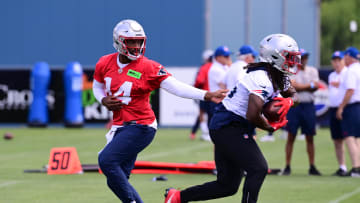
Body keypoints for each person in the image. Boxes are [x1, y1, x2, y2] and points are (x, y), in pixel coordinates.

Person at [92, 19, 228, 203]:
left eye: (139, 41)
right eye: (131, 41)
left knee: (107, 161)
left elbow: (176, 87)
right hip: (120, 125)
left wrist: (206, 95)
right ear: (119, 41)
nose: (136, 46)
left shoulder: (148, 67)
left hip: (141, 126)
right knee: (115, 179)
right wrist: (103, 99)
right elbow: (97, 86)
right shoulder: (105, 62)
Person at [164, 33, 300, 203]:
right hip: (228, 125)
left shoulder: (276, 74)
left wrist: (288, 101)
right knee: (258, 168)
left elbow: (294, 94)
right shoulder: (261, 78)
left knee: (227, 185)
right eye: (288, 57)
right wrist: (269, 127)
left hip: (229, 124)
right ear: (274, 56)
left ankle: (176, 197)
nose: (292, 62)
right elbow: (252, 114)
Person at [282, 48, 322, 176]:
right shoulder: (291, 71)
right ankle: (287, 166)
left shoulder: (312, 70)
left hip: (308, 106)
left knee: (310, 137)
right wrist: (308, 86)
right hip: (294, 107)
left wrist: (302, 86)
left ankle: (312, 166)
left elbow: (316, 86)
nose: (304, 60)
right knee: (291, 136)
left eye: (305, 57)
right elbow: (293, 86)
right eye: (302, 57)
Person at [336, 47, 360, 177]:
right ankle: (358, 166)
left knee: (350, 137)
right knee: (357, 137)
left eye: (345, 56)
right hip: (358, 106)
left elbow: (350, 90)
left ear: (349, 57)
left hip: (352, 107)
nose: (344, 59)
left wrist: (341, 107)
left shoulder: (351, 71)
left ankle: (356, 168)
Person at [328, 50, 348, 176]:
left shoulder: (347, 74)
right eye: (334, 61)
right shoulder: (331, 76)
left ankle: (356, 165)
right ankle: (342, 166)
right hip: (333, 108)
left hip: (345, 108)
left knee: (350, 138)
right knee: (337, 140)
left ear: (343, 61)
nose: (336, 63)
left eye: (338, 60)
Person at [190, 50, 213, 140]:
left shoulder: (204, 67)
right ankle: (209, 133)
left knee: (202, 114)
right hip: (216, 95)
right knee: (211, 114)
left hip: (205, 94)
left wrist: (195, 88)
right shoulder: (217, 67)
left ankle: (206, 133)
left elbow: (199, 81)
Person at [207, 46, 232, 127]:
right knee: (219, 126)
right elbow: (224, 85)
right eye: (226, 56)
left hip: (223, 100)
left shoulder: (224, 67)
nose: (228, 58)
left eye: (228, 56)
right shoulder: (215, 69)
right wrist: (231, 67)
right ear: (218, 57)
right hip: (217, 101)